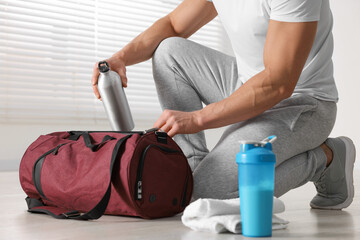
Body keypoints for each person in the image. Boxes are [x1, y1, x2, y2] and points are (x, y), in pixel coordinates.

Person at [91, 0, 356, 210]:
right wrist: (120, 58)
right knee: (168, 51)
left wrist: (198, 118)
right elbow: (173, 24)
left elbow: (279, 82)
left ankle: (325, 160)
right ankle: (191, 166)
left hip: (302, 102)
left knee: (207, 198)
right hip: (246, 83)